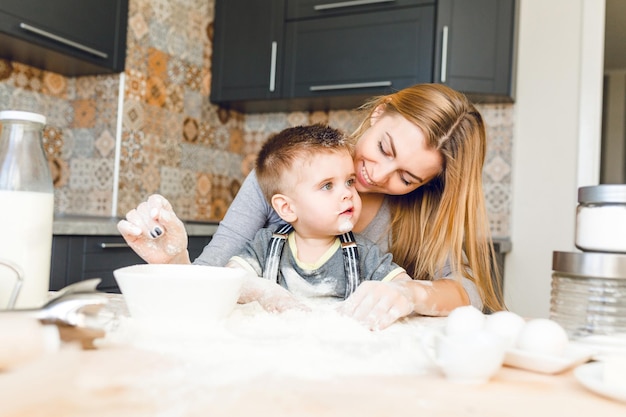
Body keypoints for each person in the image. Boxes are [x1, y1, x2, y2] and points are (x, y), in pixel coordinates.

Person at [118, 83, 504, 330]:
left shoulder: (420, 213)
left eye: (407, 178)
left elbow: (468, 290)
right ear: (377, 113)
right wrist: (175, 262)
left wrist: (410, 295)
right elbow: (214, 273)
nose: (380, 174)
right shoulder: (285, 175)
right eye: (385, 148)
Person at [227, 124, 411, 316]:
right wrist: (270, 295)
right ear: (287, 208)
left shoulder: (364, 254)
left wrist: (397, 293)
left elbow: (405, 287)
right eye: (327, 186)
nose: (347, 193)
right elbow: (232, 277)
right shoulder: (265, 245)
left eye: (350, 181)